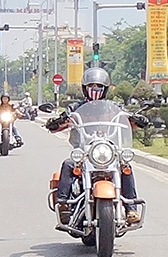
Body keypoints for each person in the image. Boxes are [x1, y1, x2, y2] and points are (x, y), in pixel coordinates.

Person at [49, 67, 142, 218]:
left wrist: (137, 119)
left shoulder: (113, 108)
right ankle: (64, 204)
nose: (95, 89)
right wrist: (57, 122)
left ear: (105, 89)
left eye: (99, 86)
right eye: (91, 86)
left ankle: (131, 209)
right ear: (85, 88)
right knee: (68, 165)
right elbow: (59, 125)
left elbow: (129, 120)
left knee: (126, 167)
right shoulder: (76, 108)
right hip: (85, 152)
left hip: (108, 151)